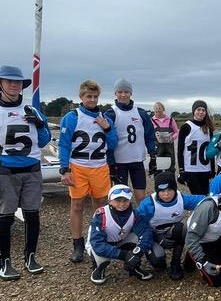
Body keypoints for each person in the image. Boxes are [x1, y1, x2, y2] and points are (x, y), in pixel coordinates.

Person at [0, 66, 51, 280]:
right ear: (0, 84)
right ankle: (4, 263)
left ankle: (30, 257)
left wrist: (41, 126)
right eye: (9, 81)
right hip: (4, 172)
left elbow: (43, 141)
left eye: (18, 82)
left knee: (32, 216)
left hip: (31, 171)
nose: (14, 85)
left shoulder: (32, 110)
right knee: (5, 217)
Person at [59, 80, 118, 263]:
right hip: (78, 166)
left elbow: (113, 144)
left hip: (100, 166)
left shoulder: (104, 118)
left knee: (101, 206)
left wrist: (106, 127)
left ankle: (98, 239)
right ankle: (77, 244)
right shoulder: (72, 117)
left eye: (95, 96)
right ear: (81, 97)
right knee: (77, 205)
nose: (92, 100)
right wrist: (64, 169)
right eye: (88, 96)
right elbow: (64, 144)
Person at [133, 171, 204, 280]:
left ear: (175, 189)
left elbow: (203, 200)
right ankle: (156, 255)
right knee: (158, 263)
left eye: (169, 190)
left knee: (182, 228)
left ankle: (175, 263)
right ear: (157, 191)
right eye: (162, 191)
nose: (166, 194)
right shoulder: (148, 204)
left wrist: (220, 198)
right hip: (152, 236)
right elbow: (138, 225)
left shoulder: (181, 199)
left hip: (172, 232)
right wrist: (157, 237)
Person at [86, 184, 153, 285]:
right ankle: (98, 269)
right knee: (102, 257)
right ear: (110, 201)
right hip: (100, 244)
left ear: (130, 200)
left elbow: (145, 232)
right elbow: (97, 244)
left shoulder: (134, 214)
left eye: (125, 200)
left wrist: (137, 253)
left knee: (137, 239)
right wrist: (124, 255)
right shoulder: (101, 215)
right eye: (117, 200)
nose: (122, 204)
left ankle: (133, 267)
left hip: (120, 240)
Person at [105, 79, 156, 203]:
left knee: (141, 197)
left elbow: (149, 136)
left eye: (126, 92)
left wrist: (153, 155)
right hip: (119, 162)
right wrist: (110, 162)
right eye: (120, 92)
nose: (123, 95)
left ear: (131, 93)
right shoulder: (110, 113)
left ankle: (140, 221)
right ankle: (122, 221)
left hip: (137, 161)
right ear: (115, 93)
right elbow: (107, 140)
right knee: (121, 198)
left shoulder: (141, 113)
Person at [177, 100, 214, 195]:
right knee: (198, 197)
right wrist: (181, 170)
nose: (201, 112)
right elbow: (180, 151)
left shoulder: (208, 128)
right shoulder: (186, 127)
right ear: (194, 111)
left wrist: (212, 169)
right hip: (191, 169)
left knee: (206, 196)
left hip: (205, 169)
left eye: (203, 110)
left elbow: (211, 150)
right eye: (198, 109)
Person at [151, 101, 179, 174]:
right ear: (154, 110)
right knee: (158, 167)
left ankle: (171, 181)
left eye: (159, 108)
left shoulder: (170, 120)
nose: (157, 110)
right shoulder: (151, 121)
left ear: (163, 109)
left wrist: (172, 138)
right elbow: (149, 134)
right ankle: (159, 181)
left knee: (170, 166)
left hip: (169, 146)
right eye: (156, 108)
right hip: (157, 147)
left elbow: (176, 132)